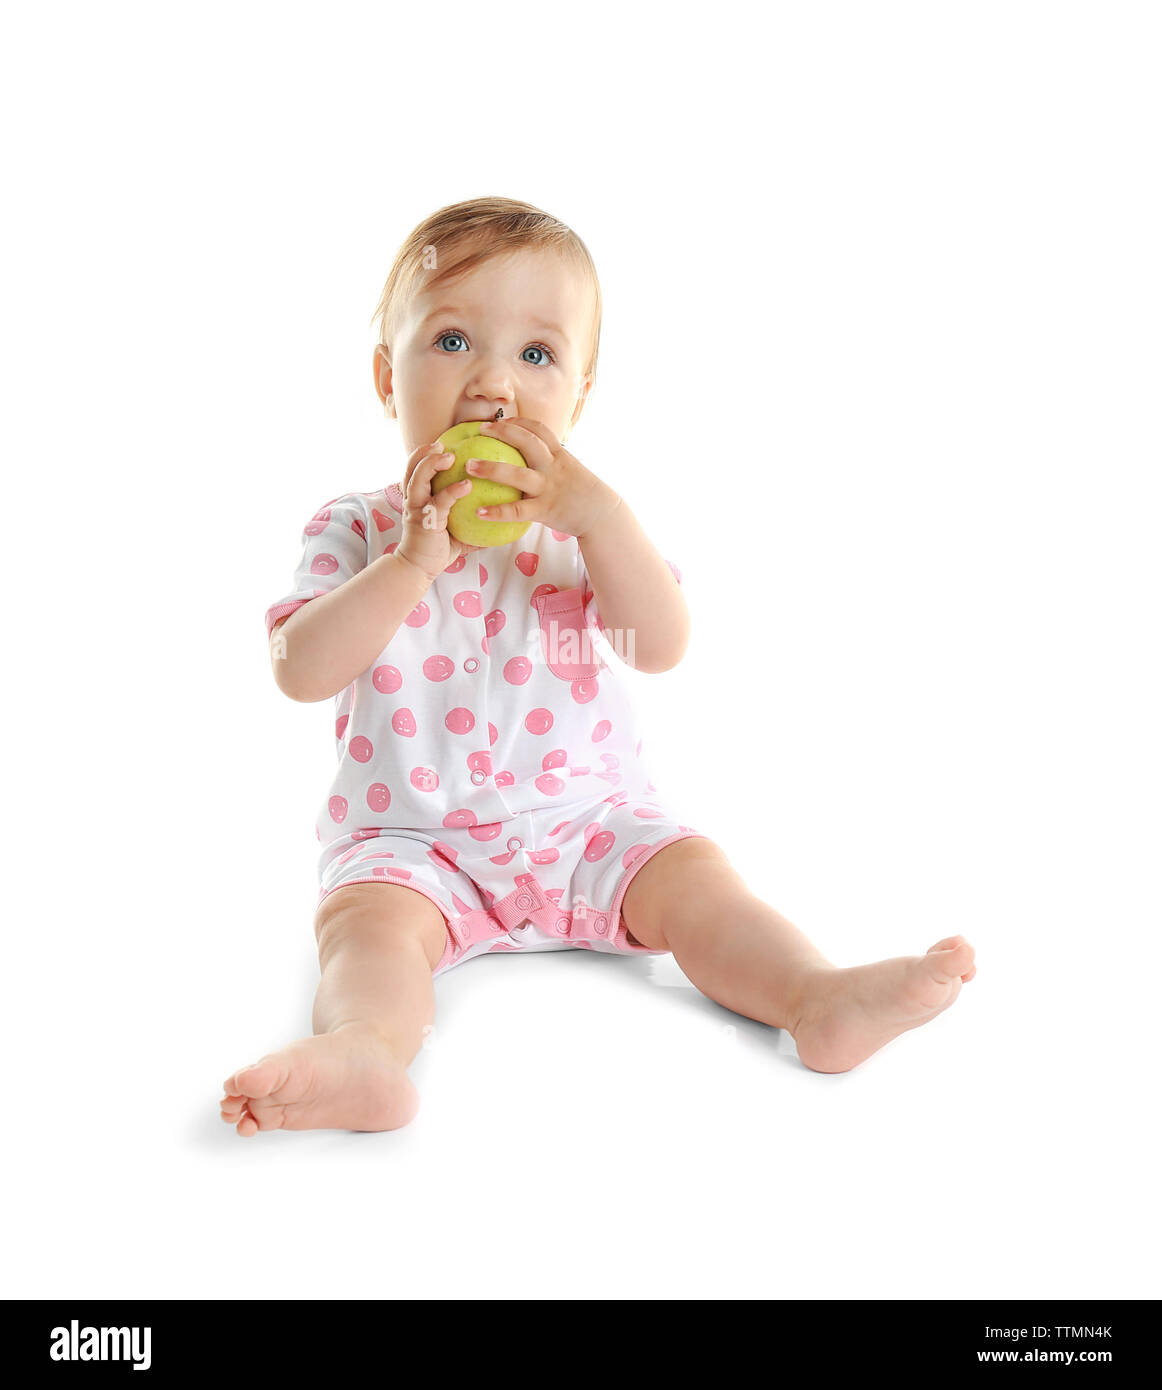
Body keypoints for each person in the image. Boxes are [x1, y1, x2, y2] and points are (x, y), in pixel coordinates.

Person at [220, 197, 976, 1137]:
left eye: (537, 356)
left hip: (590, 823)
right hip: (413, 841)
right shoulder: (359, 529)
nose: (494, 385)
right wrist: (410, 562)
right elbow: (299, 668)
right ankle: (367, 1050)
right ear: (387, 375)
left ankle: (814, 996)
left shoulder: (585, 531)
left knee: (701, 884)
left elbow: (658, 646)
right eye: (452, 340)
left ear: (577, 398)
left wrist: (603, 519)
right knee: (366, 931)